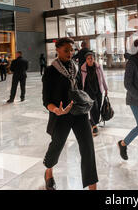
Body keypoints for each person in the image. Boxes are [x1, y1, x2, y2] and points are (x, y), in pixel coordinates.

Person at [42, 37, 98, 190]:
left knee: (88, 148)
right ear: (58, 50)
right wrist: (56, 110)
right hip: (61, 116)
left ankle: (93, 186)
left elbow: (80, 90)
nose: (70, 53)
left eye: (72, 50)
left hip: (79, 113)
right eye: (66, 50)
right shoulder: (50, 71)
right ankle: (48, 172)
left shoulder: (76, 67)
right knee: (56, 146)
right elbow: (46, 99)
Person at [80, 51, 108, 137]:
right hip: (88, 91)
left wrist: (106, 88)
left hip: (98, 90)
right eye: (88, 58)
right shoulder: (83, 68)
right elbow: (81, 80)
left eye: (91, 58)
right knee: (93, 107)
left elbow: (103, 77)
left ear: (94, 58)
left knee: (98, 107)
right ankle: (94, 125)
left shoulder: (98, 67)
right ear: (86, 60)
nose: (90, 60)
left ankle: (93, 122)